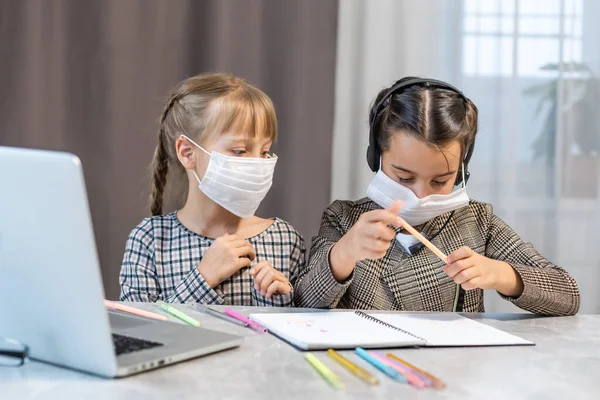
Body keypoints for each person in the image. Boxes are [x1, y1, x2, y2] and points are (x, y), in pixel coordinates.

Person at [295, 77, 579, 316]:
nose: (420, 194)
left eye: (440, 180)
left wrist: (500, 275)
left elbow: (568, 295)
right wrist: (344, 254)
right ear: (376, 157)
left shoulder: (477, 222)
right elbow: (303, 304)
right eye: (404, 178)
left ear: (461, 171)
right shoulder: (344, 219)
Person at [120, 73, 305, 306]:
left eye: (264, 151)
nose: (257, 162)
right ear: (188, 153)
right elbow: (141, 335)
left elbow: (300, 333)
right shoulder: (150, 241)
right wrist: (202, 279)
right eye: (239, 151)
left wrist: (282, 299)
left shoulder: (285, 239)